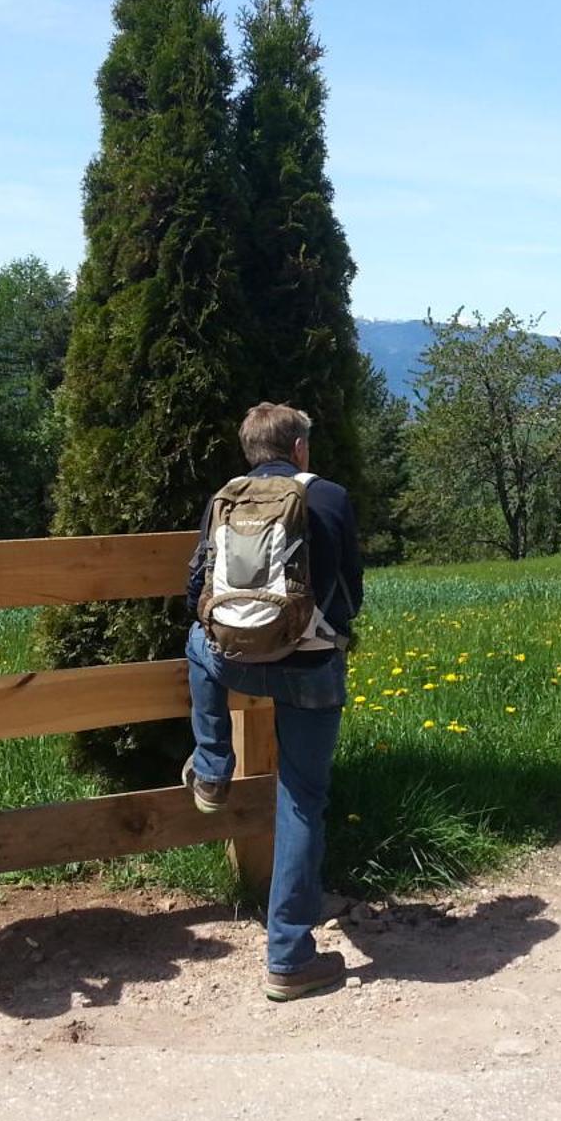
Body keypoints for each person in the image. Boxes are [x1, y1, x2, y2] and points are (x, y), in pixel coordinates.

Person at [183, 402, 363, 1002]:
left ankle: (211, 767)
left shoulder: (223, 499)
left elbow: (197, 588)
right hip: (308, 669)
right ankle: (288, 958)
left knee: (194, 640)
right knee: (302, 800)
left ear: (250, 452)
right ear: (300, 449)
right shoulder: (330, 497)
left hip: (233, 659)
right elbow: (351, 595)